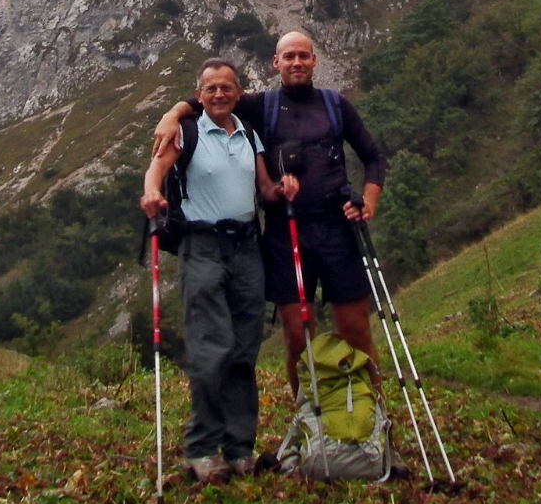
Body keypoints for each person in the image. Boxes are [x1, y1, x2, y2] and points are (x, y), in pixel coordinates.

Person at [154, 31, 388, 400]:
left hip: (336, 228)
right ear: (275, 64)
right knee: (296, 336)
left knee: (356, 328)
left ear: (314, 60)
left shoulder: (336, 105)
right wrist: (172, 116)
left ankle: (374, 416)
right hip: (285, 231)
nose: (297, 63)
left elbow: (373, 157)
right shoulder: (262, 105)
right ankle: (305, 422)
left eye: (303, 56)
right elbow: (210, 98)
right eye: (288, 57)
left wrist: (369, 201)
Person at [141, 58, 299, 484]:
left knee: (245, 350)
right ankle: (201, 449)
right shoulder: (186, 132)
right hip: (202, 247)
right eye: (210, 88)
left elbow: (263, 188)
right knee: (212, 349)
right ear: (199, 93)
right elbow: (155, 172)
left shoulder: (249, 134)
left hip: (247, 247)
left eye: (226, 87)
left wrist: (281, 188)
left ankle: (240, 447)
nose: (218, 94)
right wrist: (152, 194)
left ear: (238, 91)